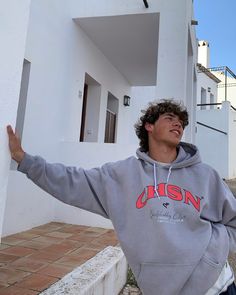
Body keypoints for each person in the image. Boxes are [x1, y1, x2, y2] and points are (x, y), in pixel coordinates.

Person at [7, 99, 236, 295]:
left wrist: (213, 253)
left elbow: (232, 221)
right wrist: (25, 160)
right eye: (169, 117)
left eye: (181, 122)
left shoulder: (206, 175)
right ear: (149, 125)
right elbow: (71, 181)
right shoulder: (120, 175)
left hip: (216, 285)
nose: (178, 124)